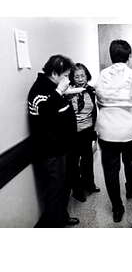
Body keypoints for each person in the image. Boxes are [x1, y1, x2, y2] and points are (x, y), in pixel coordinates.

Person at [94, 39, 132, 223]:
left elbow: (99, 101)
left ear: (111, 56)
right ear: (129, 56)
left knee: (110, 170)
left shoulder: (102, 75)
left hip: (108, 131)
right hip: (131, 128)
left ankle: (117, 208)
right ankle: (130, 186)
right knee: (130, 161)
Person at [28, 54, 80, 227]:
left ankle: (62, 217)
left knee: (64, 187)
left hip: (64, 147)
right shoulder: (39, 90)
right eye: (65, 75)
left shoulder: (52, 86)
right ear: (54, 73)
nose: (67, 79)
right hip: (51, 150)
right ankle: (54, 226)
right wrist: (59, 92)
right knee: (55, 190)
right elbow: (44, 115)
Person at [68, 63, 100, 203]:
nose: (80, 79)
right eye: (77, 76)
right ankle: (77, 191)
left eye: (83, 76)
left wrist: (94, 131)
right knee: (74, 163)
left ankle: (89, 184)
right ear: (72, 78)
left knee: (88, 159)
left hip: (87, 130)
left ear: (87, 76)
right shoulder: (68, 92)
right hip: (73, 133)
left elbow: (93, 112)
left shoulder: (91, 91)